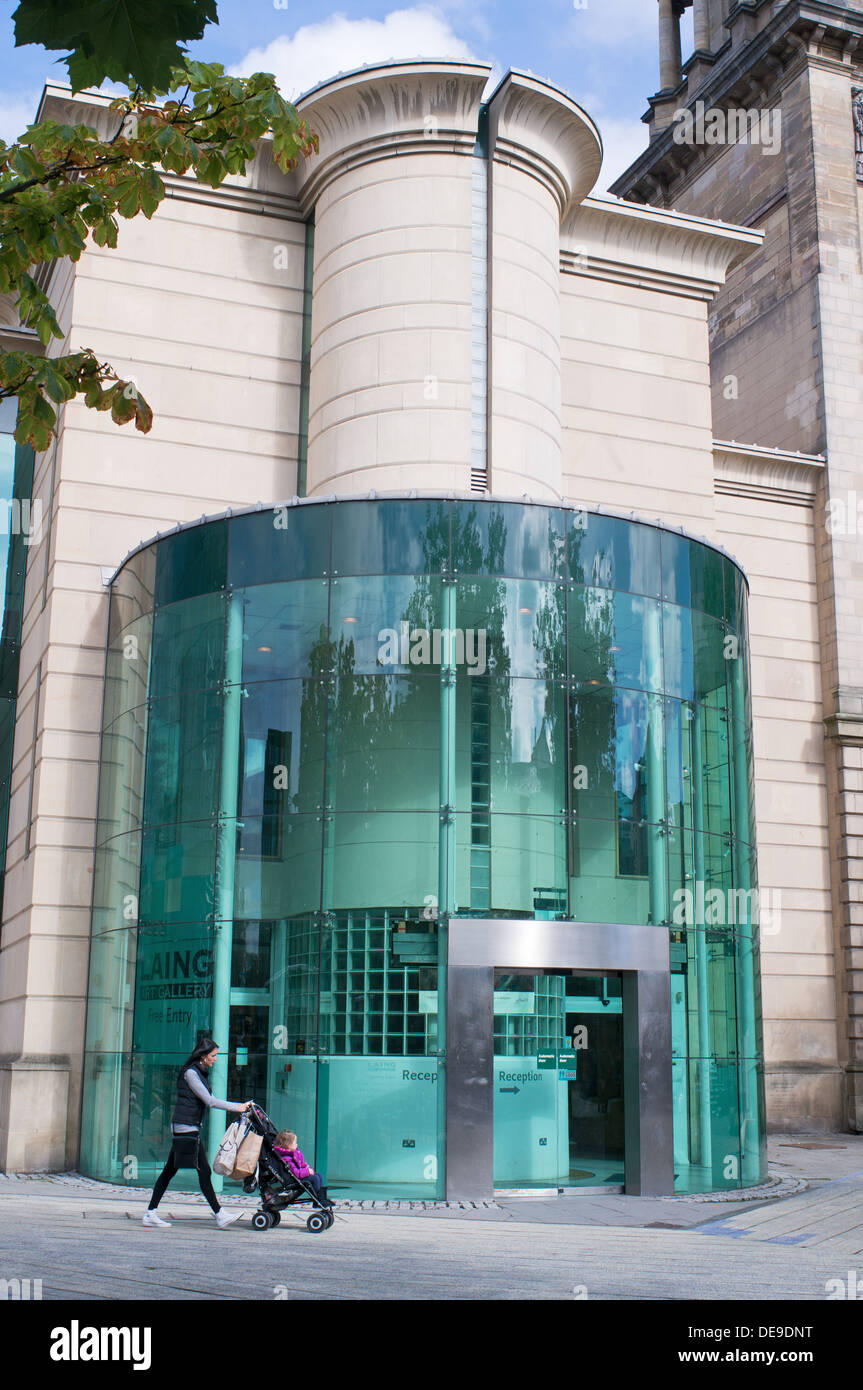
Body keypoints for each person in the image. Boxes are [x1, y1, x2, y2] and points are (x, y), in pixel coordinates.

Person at [143, 1037, 251, 1228]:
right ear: (203, 1056)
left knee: (170, 1171)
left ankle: (151, 1212)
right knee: (203, 1171)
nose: (215, 1059)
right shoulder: (191, 1074)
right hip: (186, 1128)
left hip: (187, 1127)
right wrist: (238, 1107)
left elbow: (209, 1099)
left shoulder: (198, 1073)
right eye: (213, 1055)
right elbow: (210, 1101)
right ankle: (220, 1214)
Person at [272, 1130, 333, 1208]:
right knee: (315, 1179)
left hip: (299, 1176)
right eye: (295, 1143)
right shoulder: (287, 1159)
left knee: (319, 1176)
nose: (297, 1144)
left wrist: (306, 1167)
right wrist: (307, 1171)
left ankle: (322, 1198)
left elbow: (300, 1164)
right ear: (288, 1146)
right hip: (295, 1179)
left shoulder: (293, 1154)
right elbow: (296, 1173)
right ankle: (318, 1200)